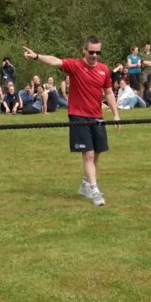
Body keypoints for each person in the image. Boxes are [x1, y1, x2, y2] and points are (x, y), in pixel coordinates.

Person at [25, 37, 120, 207]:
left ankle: (86, 184)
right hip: (78, 115)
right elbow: (55, 61)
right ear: (84, 50)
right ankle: (95, 190)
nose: (95, 55)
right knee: (89, 154)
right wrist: (37, 56)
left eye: (98, 52)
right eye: (91, 52)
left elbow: (109, 93)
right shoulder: (75, 66)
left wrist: (116, 114)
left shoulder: (104, 70)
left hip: (97, 116)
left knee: (97, 153)